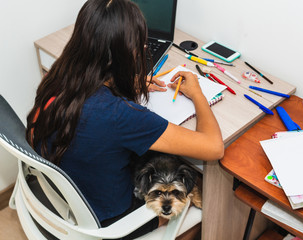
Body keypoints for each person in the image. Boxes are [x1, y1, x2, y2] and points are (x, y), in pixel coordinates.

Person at [26, 0, 224, 238]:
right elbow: (214, 147)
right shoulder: (120, 115)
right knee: (200, 198)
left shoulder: (59, 75)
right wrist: (198, 95)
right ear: (126, 53)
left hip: (70, 194)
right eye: (140, 44)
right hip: (113, 219)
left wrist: (126, 83)